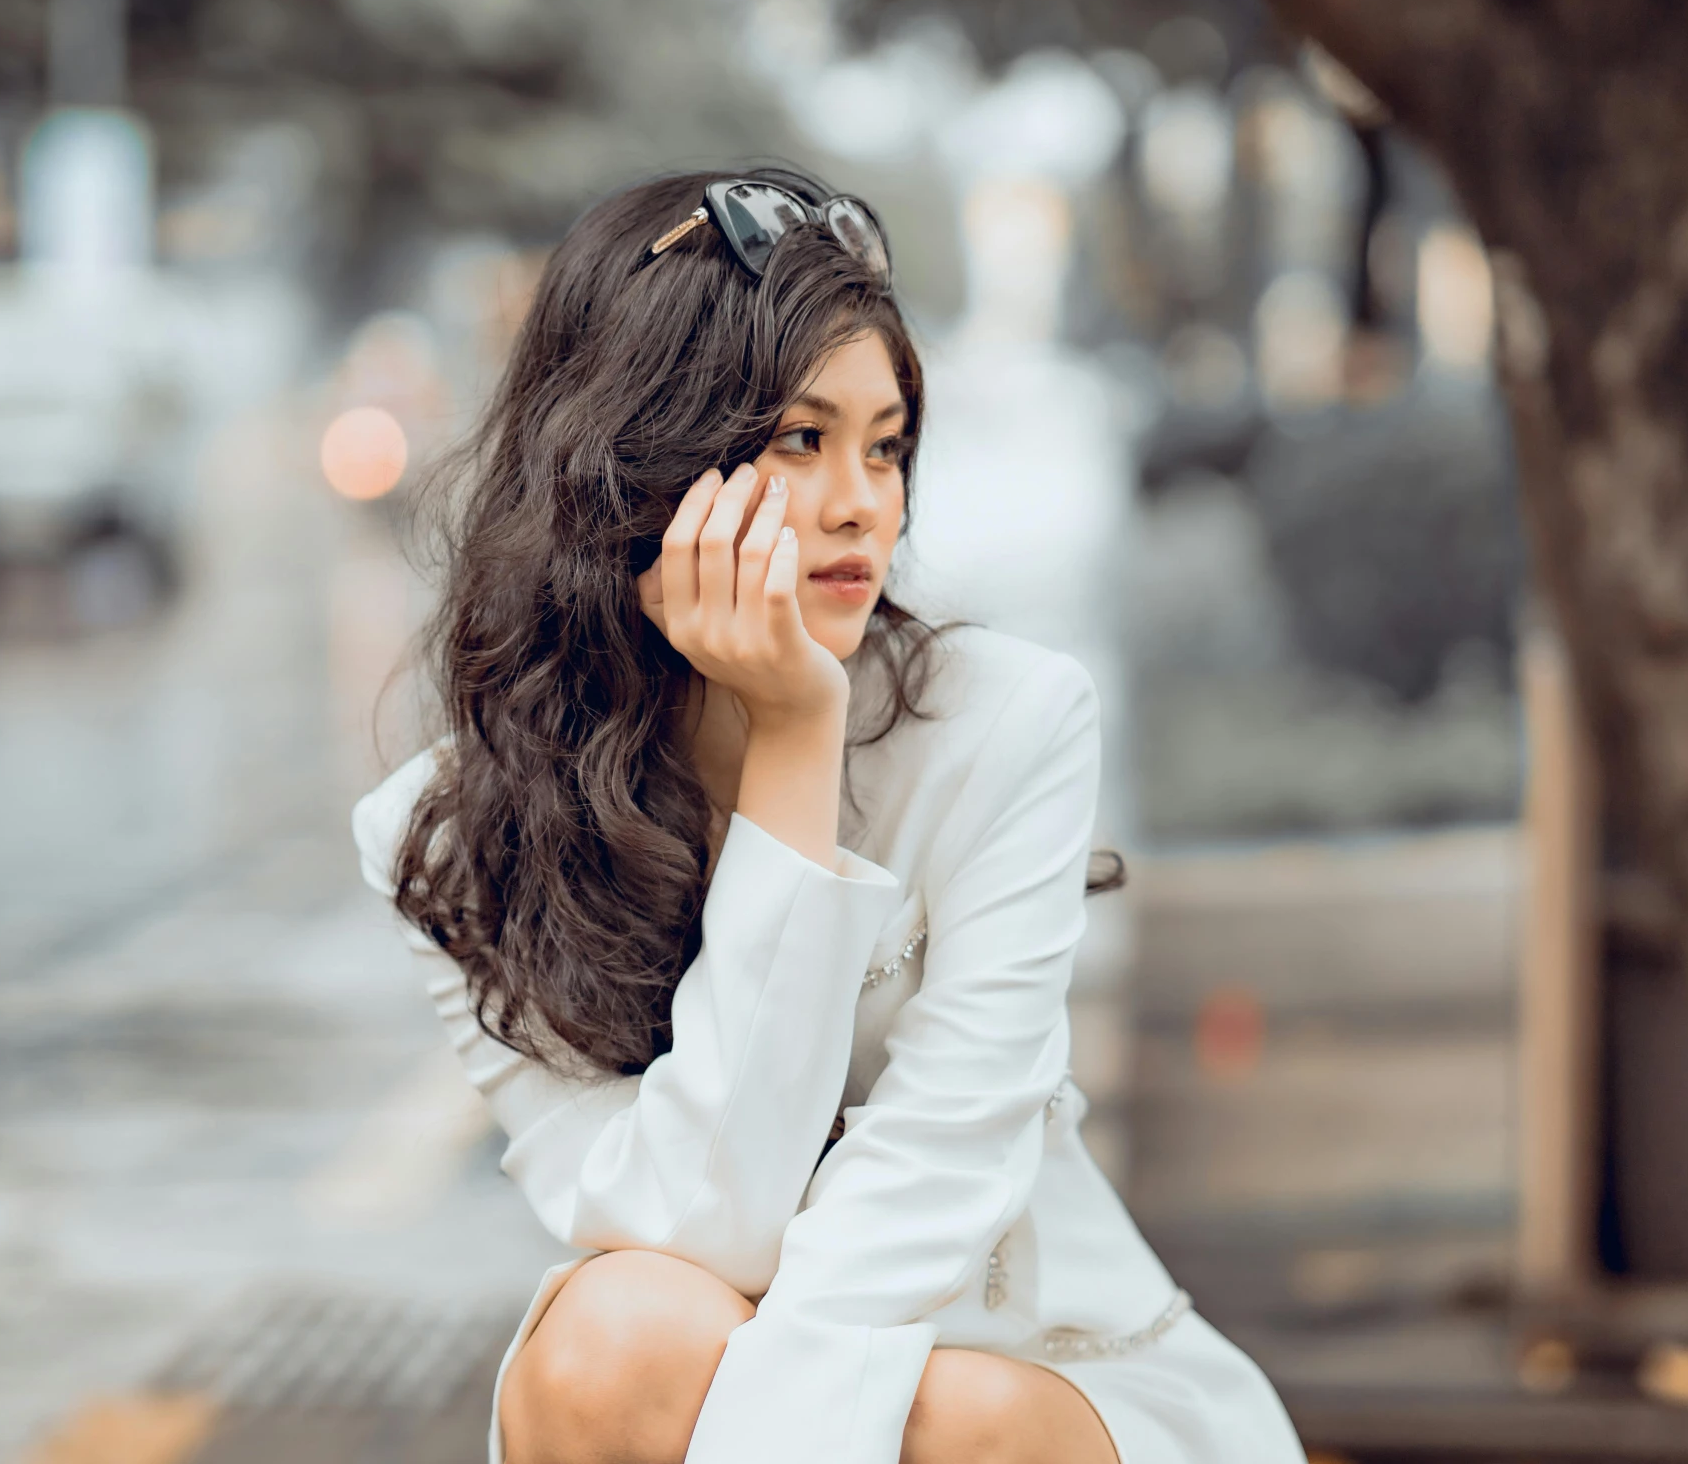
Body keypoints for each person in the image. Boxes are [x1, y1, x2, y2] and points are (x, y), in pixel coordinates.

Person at [352, 169, 1304, 1464]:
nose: (863, 501)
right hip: (729, 1386)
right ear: (636, 459)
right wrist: (788, 763)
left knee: (932, 1422)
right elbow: (705, 1227)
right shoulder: (460, 836)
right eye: (800, 440)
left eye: (886, 442)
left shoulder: (1006, 724)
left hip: (1045, 1381)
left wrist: (801, 727)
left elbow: (925, 1192)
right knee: (609, 1342)